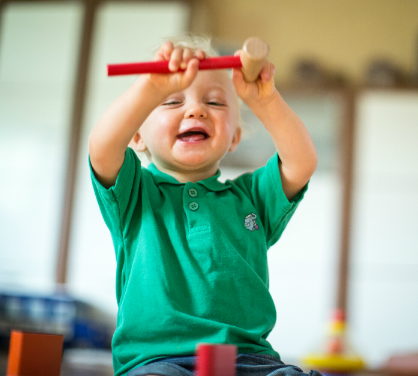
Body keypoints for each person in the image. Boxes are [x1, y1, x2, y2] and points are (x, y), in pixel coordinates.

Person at [88, 36, 320, 376]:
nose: (196, 110)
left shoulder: (251, 198)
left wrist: (265, 100)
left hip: (250, 360)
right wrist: (150, 88)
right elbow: (102, 146)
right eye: (170, 102)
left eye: (215, 102)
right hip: (157, 360)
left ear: (235, 137)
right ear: (136, 137)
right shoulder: (134, 192)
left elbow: (301, 162)